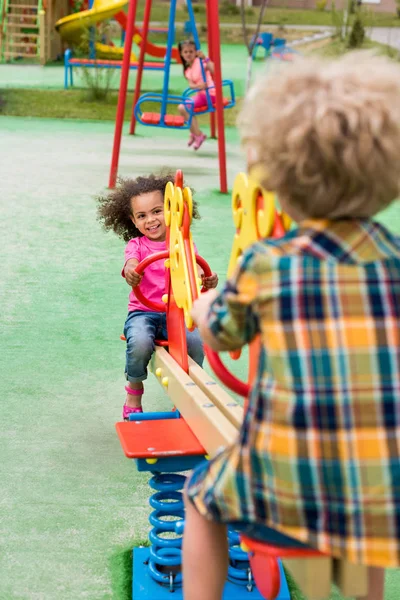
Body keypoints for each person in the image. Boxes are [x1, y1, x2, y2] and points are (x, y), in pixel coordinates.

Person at [182, 52, 400, 600]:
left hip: (284, 486)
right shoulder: (394, 262)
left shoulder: (269, 263)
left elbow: (224, 335)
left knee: (200, 496)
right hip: (383, 493)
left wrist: (205, 309)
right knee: (358, 542)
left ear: (277, 172)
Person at [97, 173, 218, 420]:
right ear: (133, 220)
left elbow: (193, 269)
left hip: (178, 312)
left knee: (195, 343)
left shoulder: (183, 242)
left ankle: (188, 393)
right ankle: (134, 390)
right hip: (143, 312)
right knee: (140, 342)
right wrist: (132, 271)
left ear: (171, 210)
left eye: (157, 211)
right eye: (142, 216)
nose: (150, 220)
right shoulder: (137, 245)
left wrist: (207, 280)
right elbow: (131, 263)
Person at [177, 40, 215, 150]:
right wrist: (199, 86)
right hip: (201, 94)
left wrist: (205, 58)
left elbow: (214, 69)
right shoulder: (187, 70)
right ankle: (195, 133)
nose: (188, 54)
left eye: (191, 52)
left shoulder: (200, 62)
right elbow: (191, 85)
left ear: (195, 52)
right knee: (182, 108)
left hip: (210, 94)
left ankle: (199, 135)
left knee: (185, 107)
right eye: (185, 52)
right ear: (181, 54)